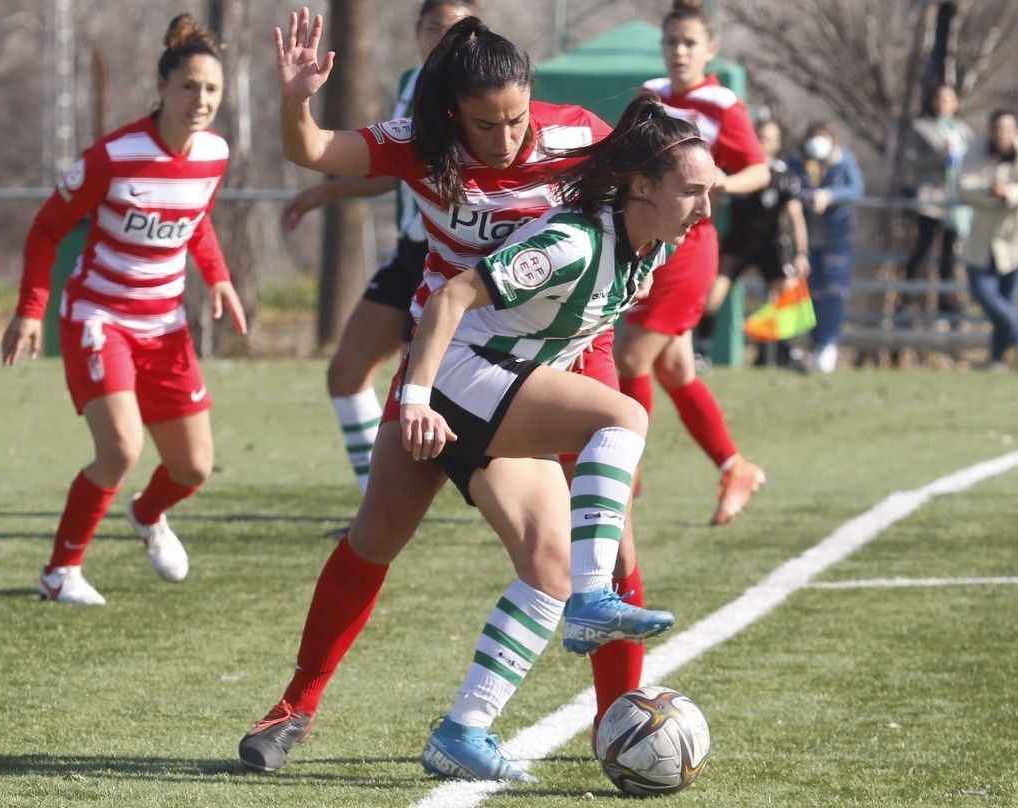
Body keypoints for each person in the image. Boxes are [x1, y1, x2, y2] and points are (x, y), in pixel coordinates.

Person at [239, 11, 667, 775]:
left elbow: (647, 180)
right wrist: (297, 99)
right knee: (377, 533)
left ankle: (617, 719)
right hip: (450, 362)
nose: (506, 138)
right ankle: (295, 705)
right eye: (485, 124)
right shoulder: (420, 143)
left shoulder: (575, 133)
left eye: (517, 118)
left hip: (567, 355)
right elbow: (311, 150)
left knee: (606, 541)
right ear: (450, 114)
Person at [402, 94, 708, 781]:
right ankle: (594, 601)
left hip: (499, 387)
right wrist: (414, 399)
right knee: (624, 416)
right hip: (460, 376)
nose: (705, 207)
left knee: (549, 568)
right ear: (642, 186)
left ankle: (462, 731)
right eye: (692, 191)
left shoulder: (648, 251)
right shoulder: (573, 242)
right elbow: (451, 297)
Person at [0, 14, 247, 606]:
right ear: (162, 87)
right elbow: (46, 229)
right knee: (121, 449)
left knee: (192, 468)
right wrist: (30, 309)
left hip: (165, 326)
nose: (201, 100)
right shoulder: (114, 156)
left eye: (212, 89)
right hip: (99, 317)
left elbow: (196, 220)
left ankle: (147, 514)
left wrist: (218, 276)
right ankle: (60, 571)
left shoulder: (215, 153)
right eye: (189, 86)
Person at [282, 0, 477, 492]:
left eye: (456, 30)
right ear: (417, 31)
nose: (442, 39)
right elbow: (394, 164)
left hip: (456, 265)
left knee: (430, 392)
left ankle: (509, 482)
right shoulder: (412, 83)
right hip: (411, 254)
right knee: (347, 373)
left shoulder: (479, 92)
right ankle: (374, 495)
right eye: (434, 28)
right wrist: (324, 193)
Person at [620, 0, 771, 527]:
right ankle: (735, 468)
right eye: (671, 42)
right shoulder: (651, 95)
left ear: (710, 50)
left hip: (690, 246)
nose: (679, 52)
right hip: (649, 244)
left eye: (689, 43)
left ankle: (624, 472)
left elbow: (758, 169)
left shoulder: (722, 103)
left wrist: (724, 180)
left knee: (631, 360)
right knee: (675, 369)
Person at [701, 117, 806, 368]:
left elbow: (795, 215)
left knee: (789, 291)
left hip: (770, 246)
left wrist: (802, 252)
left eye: (769, 139)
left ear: (777, 144)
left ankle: (789, 351)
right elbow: (715, 201)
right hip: (737, 245)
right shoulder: (737, 169)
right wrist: (707, 233)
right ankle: (701, 352)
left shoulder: (784, 175)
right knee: (712, 296)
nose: (764, 143)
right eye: (760, 138)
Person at [958, 109, 1018, 372]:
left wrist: (1009, 192)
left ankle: (997, 360)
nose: (1002, 134)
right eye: (997, 129)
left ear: (1016, 130)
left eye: (1007, 129)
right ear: (990, 131)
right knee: (983, 294)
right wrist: (989, 192)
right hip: (982, 239)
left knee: (1008, 302)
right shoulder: (975, 152)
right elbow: (963, 186)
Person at [792, 122, 864, 374]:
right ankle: (811, 345)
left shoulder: (844, 161)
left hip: (837, 239)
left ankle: (828, 344)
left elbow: (856, 189)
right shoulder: (797, 162)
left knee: (834, 293)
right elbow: (789, 187)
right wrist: (808, 196)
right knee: (807, 295)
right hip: (804, 241)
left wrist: (829, 195)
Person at [897, 84, 973, 319]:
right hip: (930, 199)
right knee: (923, 249)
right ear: (932, 101)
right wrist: (940, 155)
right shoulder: (921, 128)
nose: (944, 103)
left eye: (949, 99)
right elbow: (910, 162)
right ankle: (908, 300)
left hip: (956, 201)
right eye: (940, 98)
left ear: (956, 103)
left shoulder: (963, 130)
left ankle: (946, 301)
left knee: (950, 254)